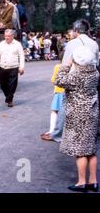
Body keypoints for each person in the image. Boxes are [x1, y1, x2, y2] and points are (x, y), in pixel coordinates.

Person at [55, 46, 99, 192]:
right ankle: (93, 181)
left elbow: (58, 80)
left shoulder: (76, 76)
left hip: (78, 115)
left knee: (80, 151)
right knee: (91, 150)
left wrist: (66, 65)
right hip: (92, 112)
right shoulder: (95, 73)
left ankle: (81, 182)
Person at [50, 20, 99, 143]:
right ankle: (90, 132)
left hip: (74, 77)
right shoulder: (94, 43)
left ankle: (58, 134)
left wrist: (62, 76)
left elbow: (65, 64)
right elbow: (96, 63)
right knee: (91, 104)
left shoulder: (72, 43)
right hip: (91, 78)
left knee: (65, 105)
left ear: (76, 30)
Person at [0, 29, 25, 107]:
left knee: (12, 84)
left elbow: (22, 56)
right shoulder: (1, 44)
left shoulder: (17, 44)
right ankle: (8, 96)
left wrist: (21, 67)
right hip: (2, 67)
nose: (7, 38)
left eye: (8, 36)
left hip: (13, 67)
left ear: (12, 36)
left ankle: (10, 99)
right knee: (2, 84)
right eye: (5, 36)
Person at [41, 64, 65, 141]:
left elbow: (53, 80)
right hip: (69, 93)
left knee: (54, 111)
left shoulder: (58, 66)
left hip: (59, 91)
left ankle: (52, 131)